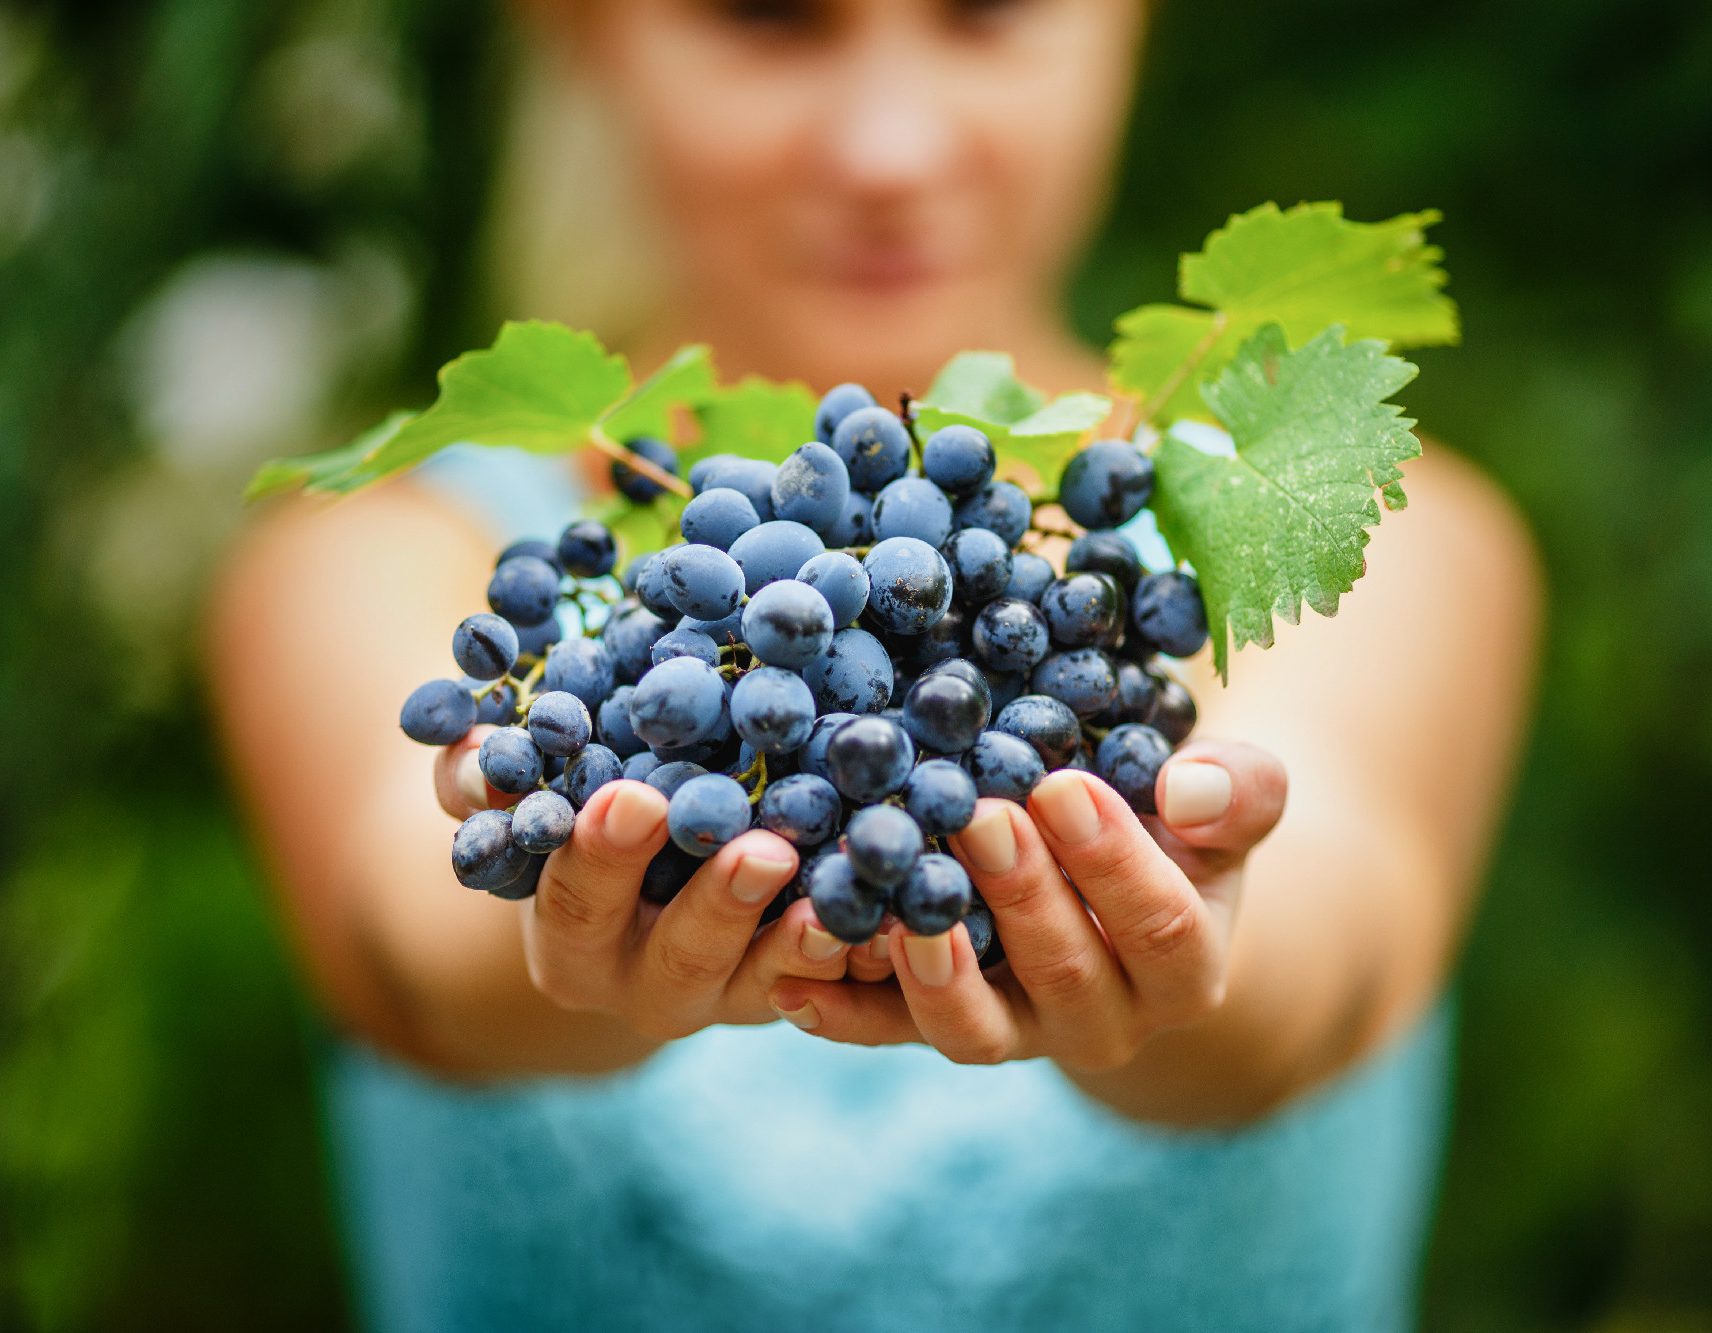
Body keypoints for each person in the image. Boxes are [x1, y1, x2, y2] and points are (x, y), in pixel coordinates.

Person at [209, 0, 1541, 1327]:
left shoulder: (1339, 529)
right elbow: (417, 945)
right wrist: (570, 911)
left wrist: (1184, 942)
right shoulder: (385, 563)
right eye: (767, 21)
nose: (888, 150)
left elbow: (1324, 943)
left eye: (990, 14)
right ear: (578, 28)